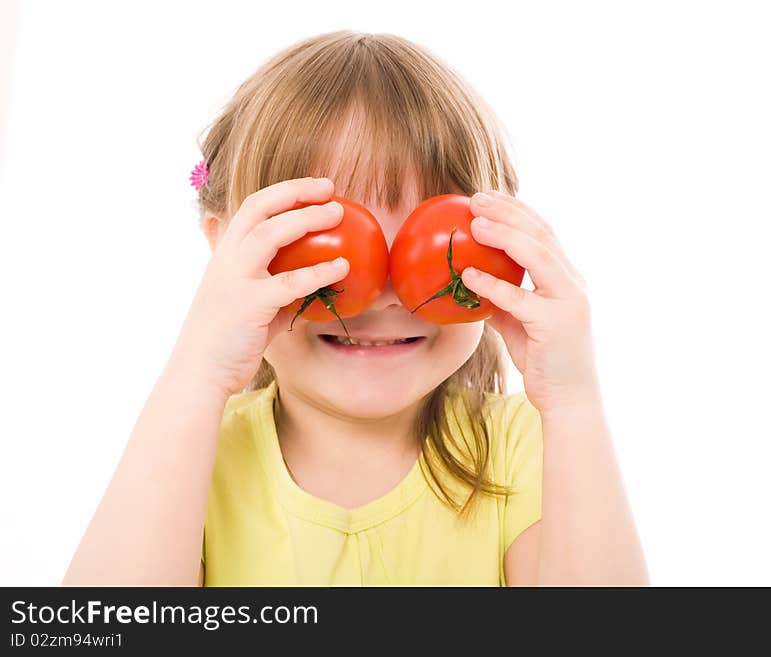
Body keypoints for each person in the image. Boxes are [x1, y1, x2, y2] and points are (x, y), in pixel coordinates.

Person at [62, 30, 648, 586]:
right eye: (328, 243)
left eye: (437, 244)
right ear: (227, 255)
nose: (386, 292)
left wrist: (574, 403)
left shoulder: (526, 448)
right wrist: (198, 371)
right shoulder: (191, 457)